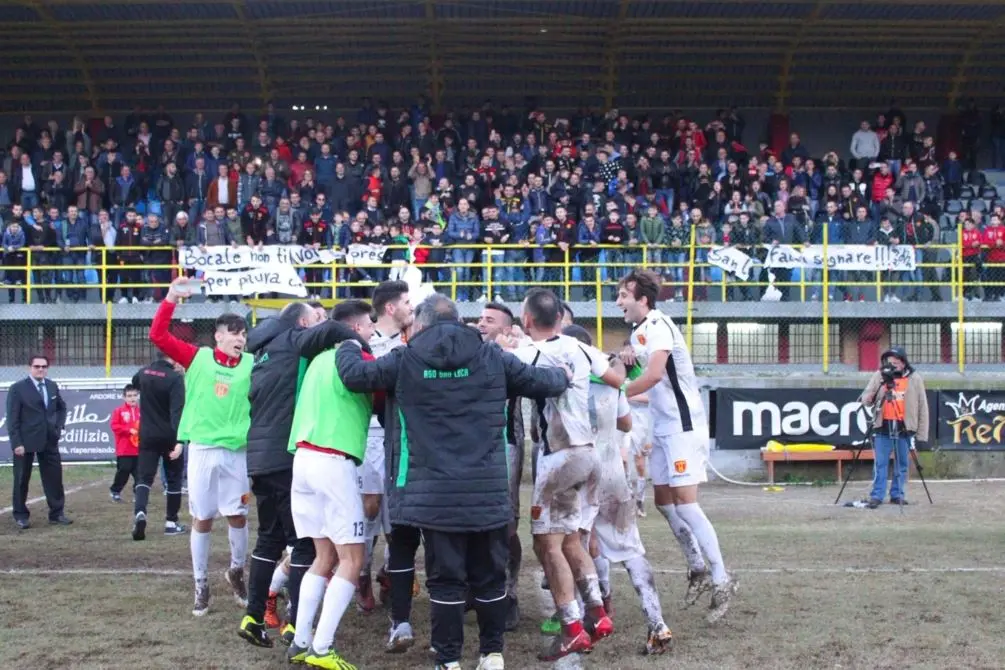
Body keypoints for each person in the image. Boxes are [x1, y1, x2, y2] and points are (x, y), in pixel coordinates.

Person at [336, 293, 570, 670]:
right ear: (460, 321)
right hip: (487, 492)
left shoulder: (405, 359)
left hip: (434, 495)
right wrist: (565, 373)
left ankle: (448, 660)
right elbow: (546, 381)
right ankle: (491, 653)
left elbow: (354, 376)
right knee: (490, 578)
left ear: (423, 325)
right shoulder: (491, 356)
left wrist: (348, 343)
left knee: (445, 581)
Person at [239, 301, 370, 648]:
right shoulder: (295, 340)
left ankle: (253, 615)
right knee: (305, 547)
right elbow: (328, 331)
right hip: (290, 452)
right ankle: (297, 625)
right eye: (315, 318)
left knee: (268, 539)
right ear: (301, 323)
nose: (320, 323)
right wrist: (360, 340)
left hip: (259, 455)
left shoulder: (263, 350)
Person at [616, 269, 737, 623]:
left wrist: (616, 393)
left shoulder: (659, 326)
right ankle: (697, 567)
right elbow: (647, 380)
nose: (618, 301)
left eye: (624, 295)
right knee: (664, 503)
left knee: (686, 504)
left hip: (684, 427)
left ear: (643, 299)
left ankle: (721, 578)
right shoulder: (638, 332)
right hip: (664, 427)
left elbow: (653, 375)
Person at [511, 288, 624, 661]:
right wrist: (627, 359)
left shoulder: (526, 353)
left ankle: (573, 628)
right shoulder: (583, 348)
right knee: (572, 538)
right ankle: (597, 612)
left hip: (559, 454)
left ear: (527, 320)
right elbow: (616, 378)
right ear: (561, 319)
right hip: (590, 453)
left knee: (547, 544)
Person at [562, 325, 674, 655]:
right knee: (631, 551)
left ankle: (589, 620)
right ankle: (656, 622)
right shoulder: (609, 379)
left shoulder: (561, 378)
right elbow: (626, 423)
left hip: (577, 474)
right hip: (612, 473)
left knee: (574, 549)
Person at [149, 276, 253, 617]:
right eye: (233, 332)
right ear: (218, 336)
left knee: (238, 515)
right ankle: (200, 584)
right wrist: (170, 299)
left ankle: (237, 571)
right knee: (203, 518)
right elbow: (158, 336)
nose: (240, 338)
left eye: (243, 334)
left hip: (237, 452)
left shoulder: (253, 365)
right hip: (205, 450)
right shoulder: (198, 358)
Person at [285, 300, 376, 669]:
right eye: (369, 325)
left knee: (324, 557)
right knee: (353, 559)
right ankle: (322, 649)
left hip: (302, 460)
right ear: (355, 329)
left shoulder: (316, 360)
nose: (372, 331)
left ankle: (301, 640)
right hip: (332, 461)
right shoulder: (354, 357)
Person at [355, 281, 416, 655]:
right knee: (371, 507)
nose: (412, 307)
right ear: (391, 308)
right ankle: (361, 572)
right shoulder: (367, 343)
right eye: (407, 302)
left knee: (401, 513)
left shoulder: (412, 341)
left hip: (401, 436)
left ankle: (391, 575)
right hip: (369, 436)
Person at [475, 302, 525, 631]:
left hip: (505, 442)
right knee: (472, 520)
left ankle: (509, 592)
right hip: (471, 447)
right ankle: (476, 587)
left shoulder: (516, 353)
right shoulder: (470, 349)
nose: (480, 324)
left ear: (507, 330)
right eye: (480, 318)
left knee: (505, 522)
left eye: (489, 320)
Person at [859, 347, 929, 508]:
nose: (893, 366)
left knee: (902, 463)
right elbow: (866, 398)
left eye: (896, 363)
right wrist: (879, 390)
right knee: (881, 463)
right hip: (883, 426)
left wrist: (921, 434)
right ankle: (877, 495)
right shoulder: (879, 376)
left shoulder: (915, 378)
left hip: (904, 428)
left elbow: (922, 406)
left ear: (904, 363)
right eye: (890, 363)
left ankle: (897, 495)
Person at [7, 354, 70, 529]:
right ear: (30, 368)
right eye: (37, 366)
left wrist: (58, 427)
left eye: (43, 366)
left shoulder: (51, 386)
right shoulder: (17, 388)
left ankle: (57, 513)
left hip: (49, 439)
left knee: (54, 478)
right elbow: (12, 418)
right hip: (25, 441)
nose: (40, 369)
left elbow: (61, 408)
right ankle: (20, 515)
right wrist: (16, 443)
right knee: (21, 478)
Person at [129, 354, 186, 540]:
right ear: (171, 357)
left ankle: (140, 513)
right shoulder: (175, 378)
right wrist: (180, 441)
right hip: (169, 435)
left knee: (144, 478)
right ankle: (171, 522)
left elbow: (134, 382)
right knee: (174, 479)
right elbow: (178, 410)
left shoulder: (144, 372)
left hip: (147, 434)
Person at [108, 384, 141, 503]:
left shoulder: (142, 412)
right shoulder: (119, 411)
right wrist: (128, 430)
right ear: (124, 397)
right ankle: (115, 491)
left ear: (138, 396)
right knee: (124, 471)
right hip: (124, 449)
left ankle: (138, 494)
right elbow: (114, 426)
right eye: (129, 396)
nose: (132, 398)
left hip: (139, 450)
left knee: (140, 474)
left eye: (134, 395)